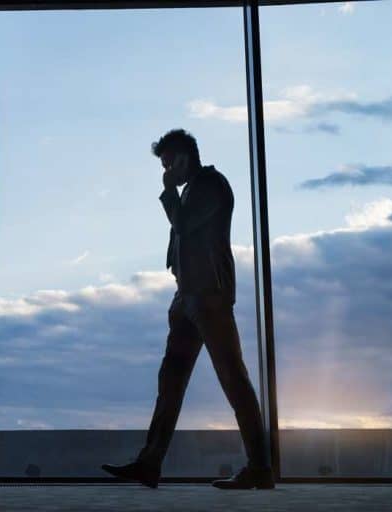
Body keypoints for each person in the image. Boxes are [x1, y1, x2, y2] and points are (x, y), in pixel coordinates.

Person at [101, 128, 274, 490]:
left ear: (185, 157)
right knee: (171, 381)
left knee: (233, 379)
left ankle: (260, 468)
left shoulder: (211, 184)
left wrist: (167, 191)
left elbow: (181, 224)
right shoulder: (193, 191)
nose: (167, 171)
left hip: (209, 296)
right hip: (189, 298)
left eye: (169, 164)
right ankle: (150, 463)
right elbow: (182, 238)